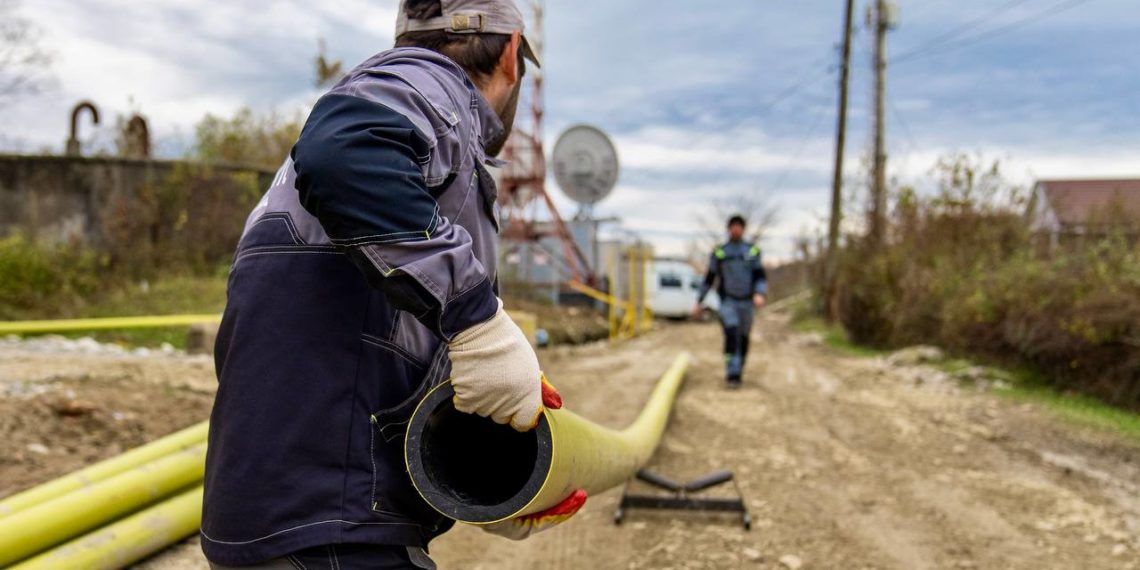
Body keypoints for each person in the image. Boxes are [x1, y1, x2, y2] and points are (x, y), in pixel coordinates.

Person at [201, 1, 586, 568]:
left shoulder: (402, 153)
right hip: (332, 523)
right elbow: (346, 153)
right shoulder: (429, 89)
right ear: (511, 55)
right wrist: (477, 318)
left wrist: (491, 479)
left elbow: (365, 342)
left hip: (289, 518)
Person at [693, 215, 768, 388]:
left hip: (747, 302)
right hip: (728, 301)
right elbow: (709, 278)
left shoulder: (752, 251)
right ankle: (732, 373)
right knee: (731, 334)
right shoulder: (720, 252)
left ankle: (739, 367)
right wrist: (699, 301)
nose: (735, 229)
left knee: (743, 337)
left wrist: (760, 293)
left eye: (738, 226)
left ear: (743, 229)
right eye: (733, 226)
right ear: (728, 229)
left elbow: (760, 276)